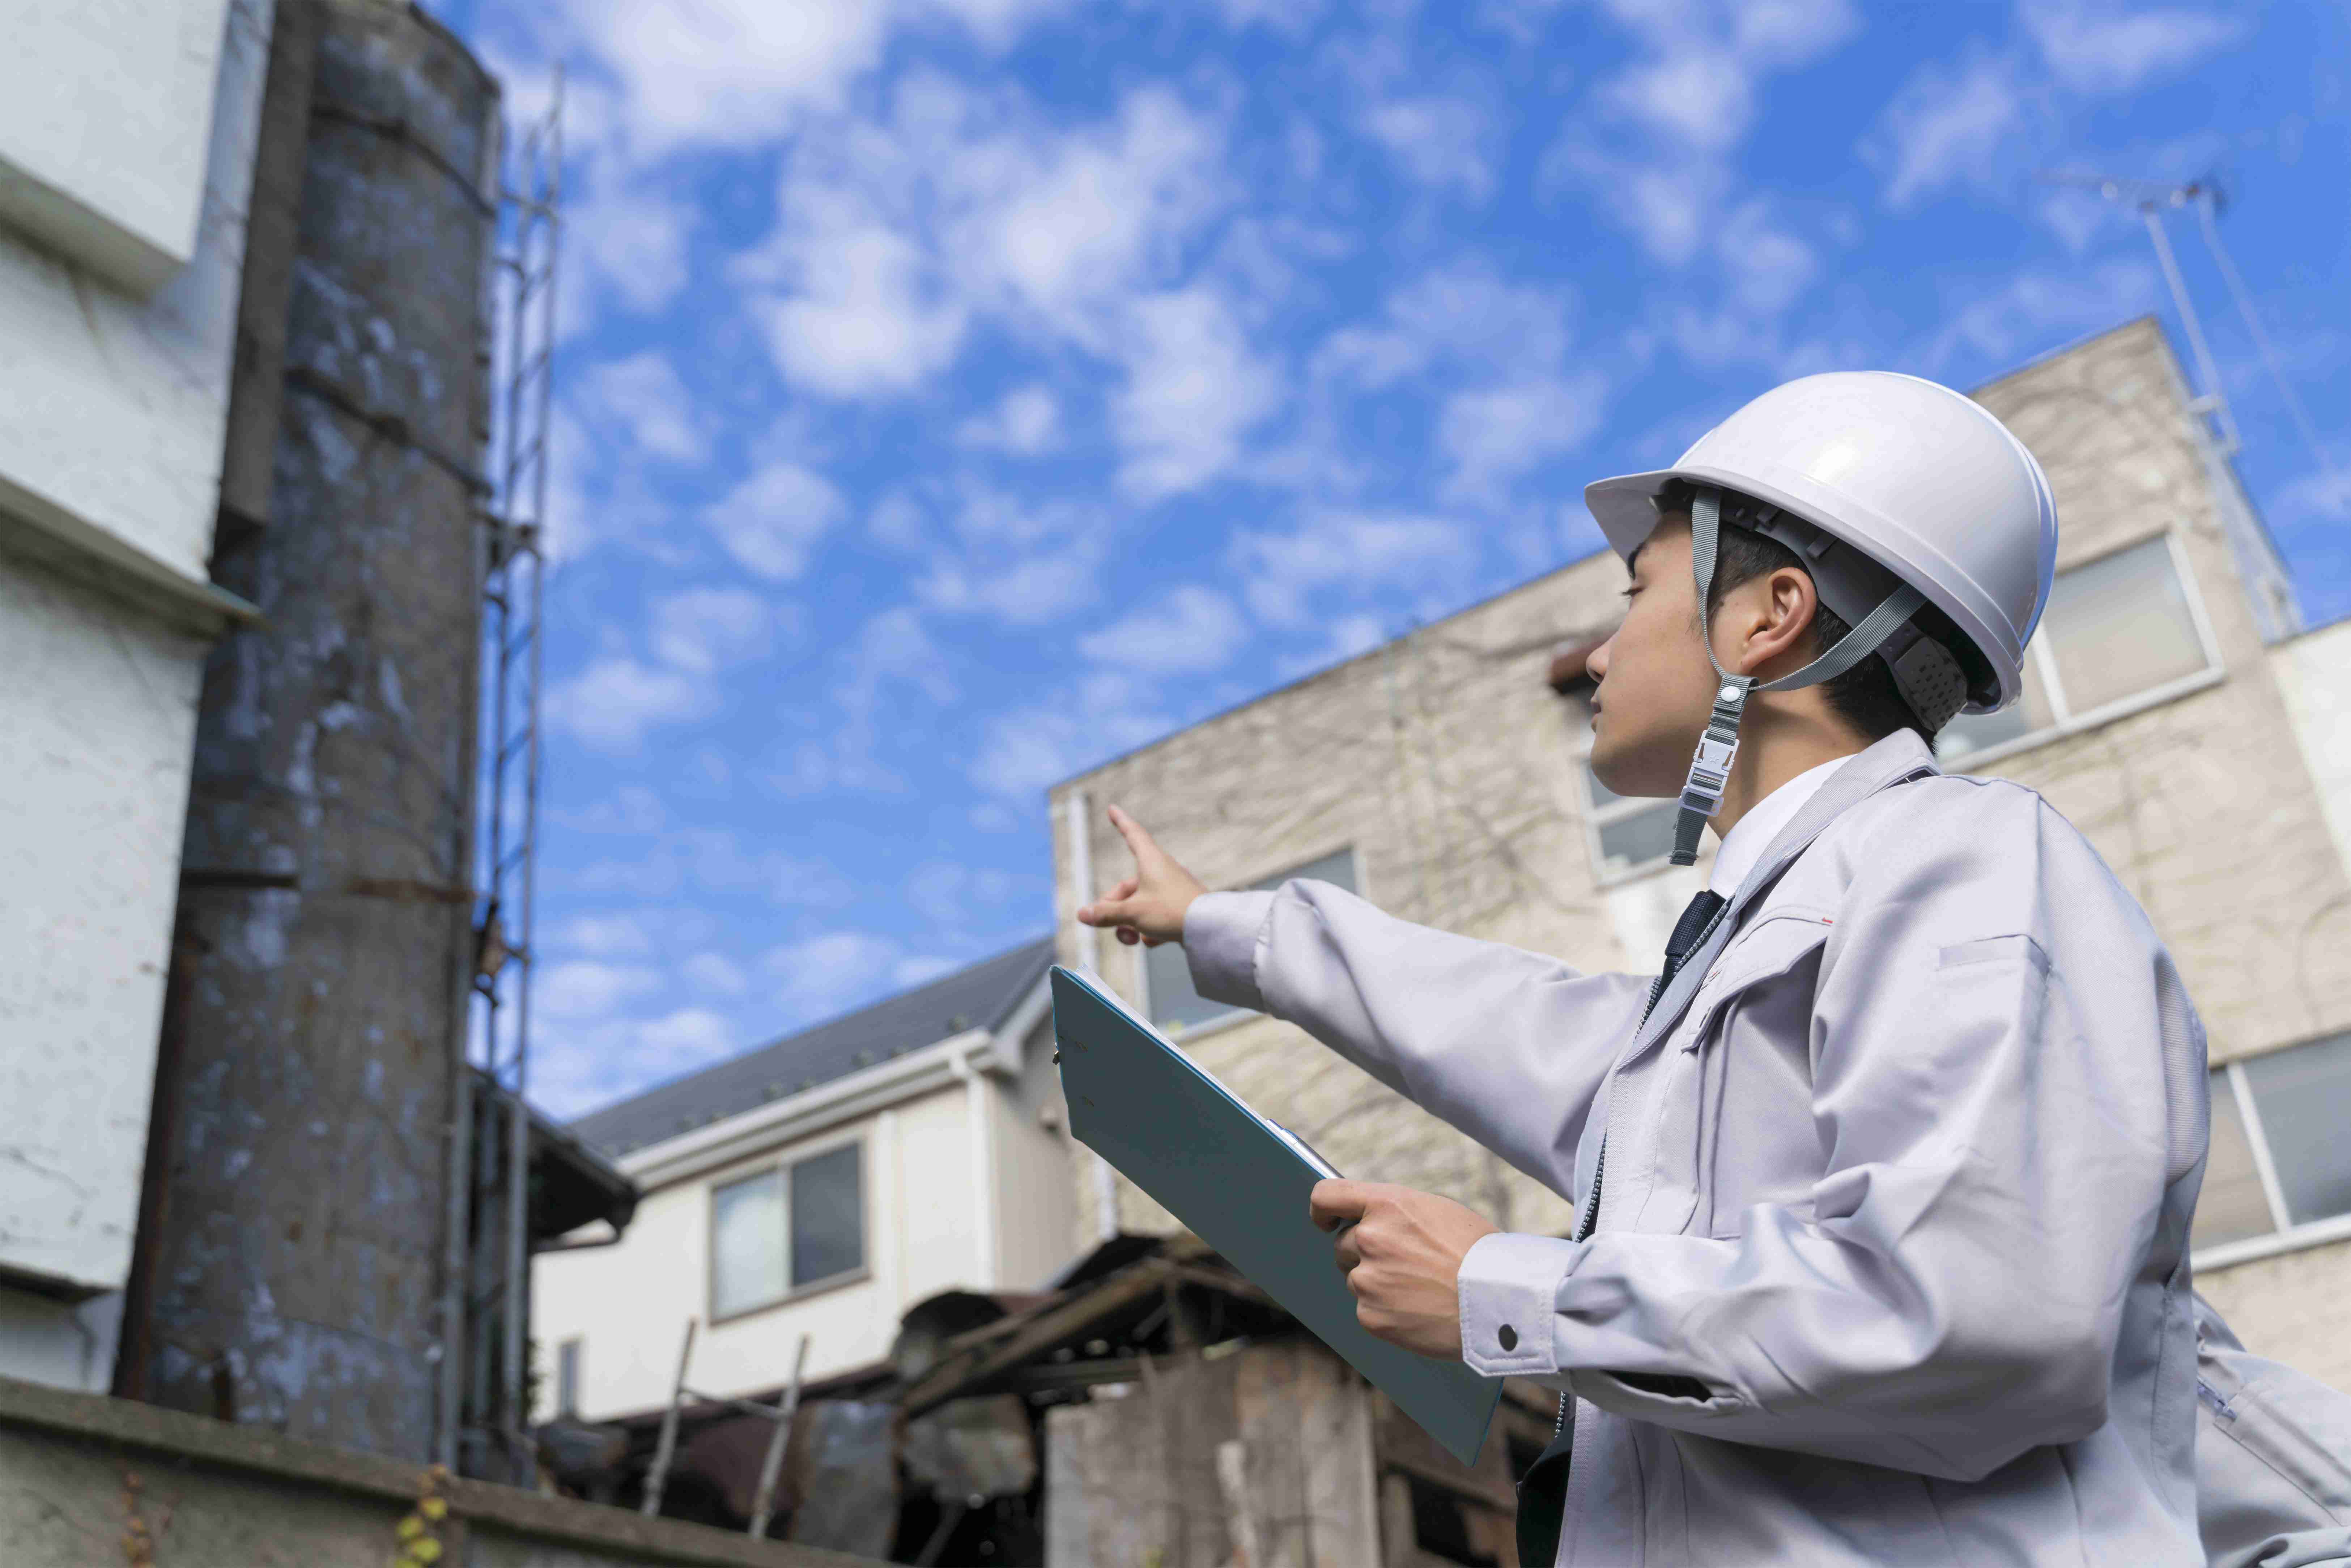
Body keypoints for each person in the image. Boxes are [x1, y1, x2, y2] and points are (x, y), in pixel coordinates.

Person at [1079, 371, 2218, 1566]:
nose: (1602, 646)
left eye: (1637, 593)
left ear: (1765, 618)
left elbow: (1976, 1314)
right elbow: (1511, 1025)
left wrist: (1508, 1289)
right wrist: (1220, 924)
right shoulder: (1760, 952)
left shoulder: (1963, 861)